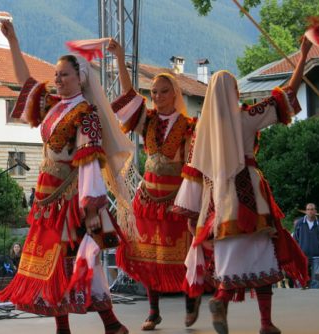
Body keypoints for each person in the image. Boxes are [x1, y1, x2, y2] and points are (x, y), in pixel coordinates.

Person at [0, 20, 134, 334]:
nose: (57, 79)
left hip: (70, 200)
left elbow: (88, 164)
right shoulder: (54, 107)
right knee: (53, 265)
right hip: (46, 197)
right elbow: (25, 82)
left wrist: (89, 209)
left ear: (80, 77)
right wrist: (14, 41)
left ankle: (111, 324)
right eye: (56, 75)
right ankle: (71, 327)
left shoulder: (86, 114)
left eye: (64, 74)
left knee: (75, 261)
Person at [173, 37, 312, 334]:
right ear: (234, 92)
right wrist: (302, 57)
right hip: (250, 201)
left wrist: (192, 218)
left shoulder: (201, 132)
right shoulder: (245, 117)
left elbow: (193, 175)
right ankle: (264, 323)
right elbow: (285, 96)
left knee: (229, 265)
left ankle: (221, 300)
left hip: (217, 207)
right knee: (264, 259)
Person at [107, 39, 199, 330]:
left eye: (163, 91)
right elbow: (128, 94)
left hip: (176, 197)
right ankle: (153, 310)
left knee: (183, 252)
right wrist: (120, 59)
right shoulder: (145, 121)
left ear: (176, 93)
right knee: (147, 255)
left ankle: (191, 299)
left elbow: (193, 163)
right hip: (147, 197)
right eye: (155, 92)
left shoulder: (188, 125)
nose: (157, 96)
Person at [294, 203, 319, 289]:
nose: (310, 211)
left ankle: (314, 298)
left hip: (317, 255)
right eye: (308, 209)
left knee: (316, 279)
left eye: (312, 209)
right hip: (302, 254)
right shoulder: (299, 223)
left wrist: (317, 246)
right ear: (305, 211)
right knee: (301, 277)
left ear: (315, 211)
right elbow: (295, 238)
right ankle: (299, 297)